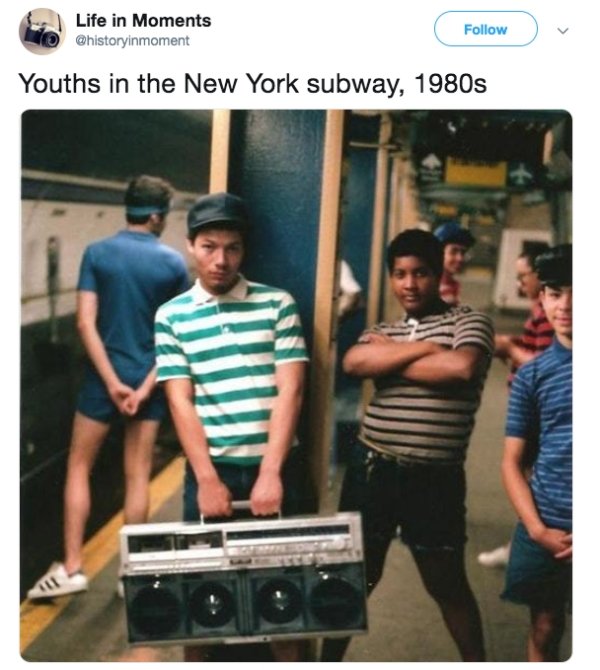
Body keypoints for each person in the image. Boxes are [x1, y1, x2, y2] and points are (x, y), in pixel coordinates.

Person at [322, 229, 494, 661]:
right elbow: (354, 361)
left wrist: (396, 355)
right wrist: (424, 348)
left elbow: (460, 369)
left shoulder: (469, 322)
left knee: (446, 583)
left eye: (420, 273)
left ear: (438, 275)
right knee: (356, 577)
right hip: (372, 467)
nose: (409, 285)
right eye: (399, 274)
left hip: (435, 477)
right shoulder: (383, 328)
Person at [154, 192, 309, 662]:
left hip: (277, 470)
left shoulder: (277, 305)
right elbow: (180, 400)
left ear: (245, 251)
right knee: (200, 604)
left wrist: (269, 472)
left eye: (232, 248)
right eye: (209, 246)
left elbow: (291, 392)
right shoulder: (171, 316)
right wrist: (206, 480)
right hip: (211, 470)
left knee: (289, 604)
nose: (221, 260)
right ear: (190, 246)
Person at [27, 175, 190, 600]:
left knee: (79, 467)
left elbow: (85, 322)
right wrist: (143, 385)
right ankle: (130, 572)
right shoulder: (173, 264)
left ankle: (73, 568)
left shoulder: (96, 253)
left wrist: (113, 383)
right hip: (148, 381)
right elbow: (175, 333)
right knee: (137, 474)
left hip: (103, 382)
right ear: (157, 216)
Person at [501, 244, 572, 662]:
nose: (565, 305)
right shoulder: (532, 374)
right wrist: (536, 529)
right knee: (544, 628)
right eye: (554, 291)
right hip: (547, 526)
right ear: (541, 297)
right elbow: (512, 462)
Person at [478, 242, 553, 568]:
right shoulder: (539, 310)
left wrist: (510, 349)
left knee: (531, 480)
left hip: (540, 410)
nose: (520, 283)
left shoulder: (548, 314)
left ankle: (526, 543)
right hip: (530, 405)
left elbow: (548, 366)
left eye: (524, 276)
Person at [433, 220, 476, 306]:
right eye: (453, 251)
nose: (460, 258)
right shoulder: (428, 288)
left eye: (463, 252)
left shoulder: (452, 285)